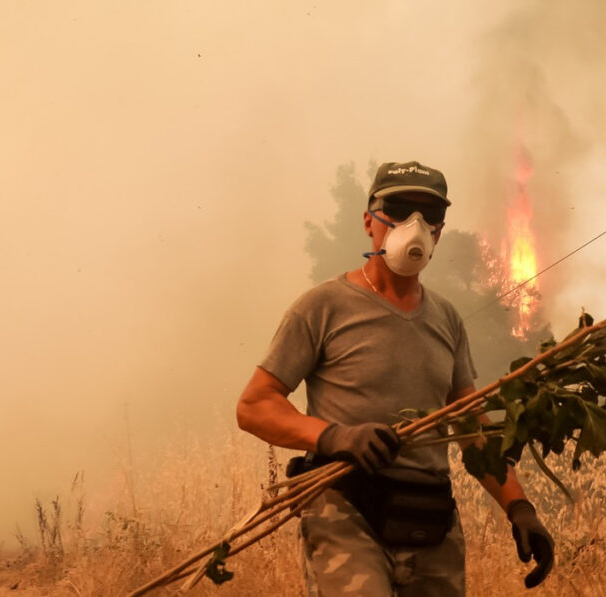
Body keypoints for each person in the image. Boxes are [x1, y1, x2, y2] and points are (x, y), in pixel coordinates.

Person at [236, 161, 554, 596]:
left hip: (429, 514)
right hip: (344, 503)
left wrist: (520, 507)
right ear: (370, 222)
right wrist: (334, 437)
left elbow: (471, 427)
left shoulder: (446, 320)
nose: (415, 226)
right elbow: (255, 406)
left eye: (429, 216)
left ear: (440, 231)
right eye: (400, 210)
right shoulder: (323, 306)